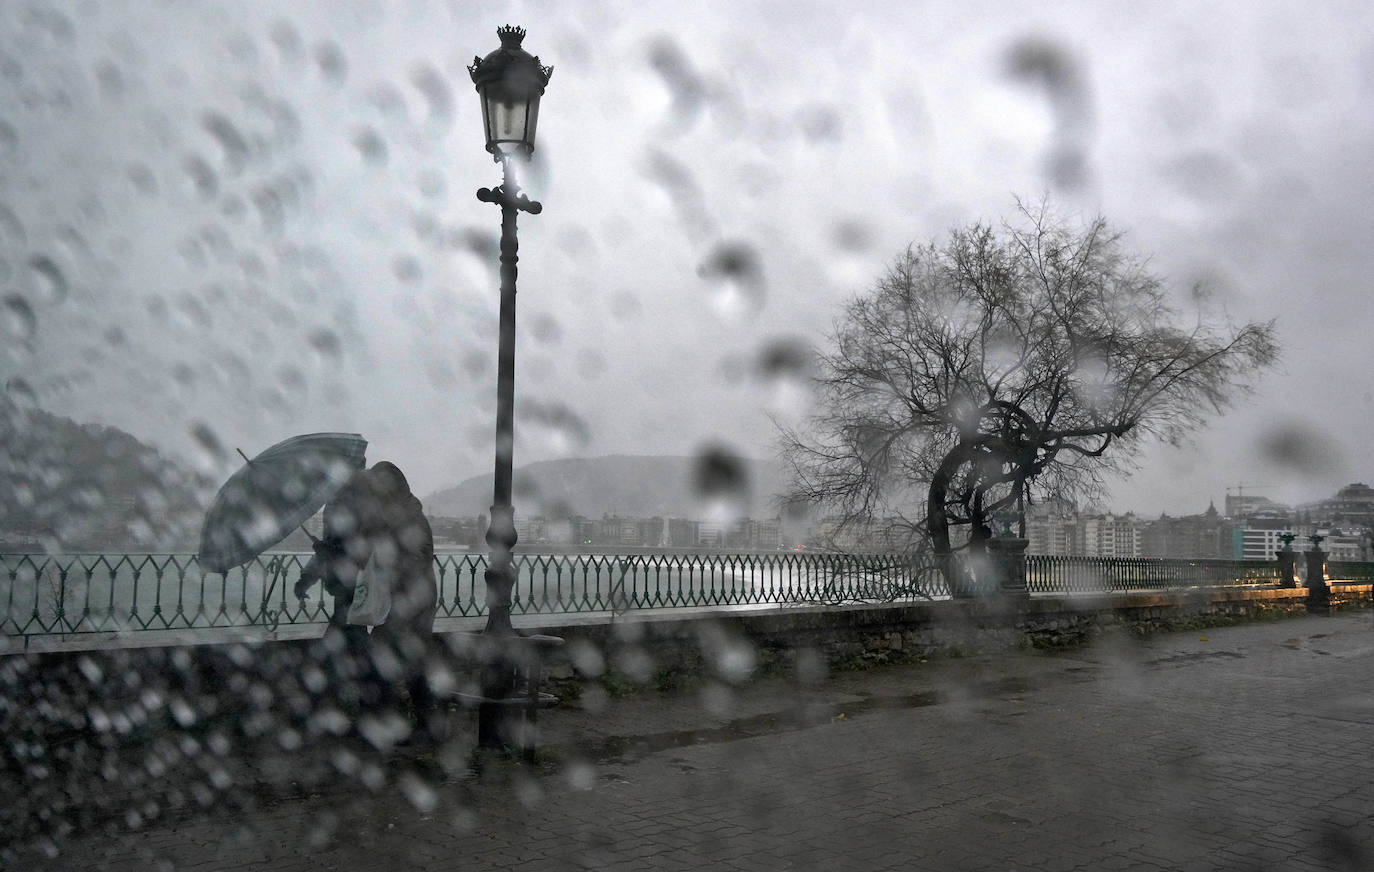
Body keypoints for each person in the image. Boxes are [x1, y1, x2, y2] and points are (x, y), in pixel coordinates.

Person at [296, 461, 441, 746]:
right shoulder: (389, 515)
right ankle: (408, 725)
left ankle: (393, 725)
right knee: (401, 663)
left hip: (413, 601)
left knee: (393, 662)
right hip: (400, 601)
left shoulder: (408, 518)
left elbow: (399, 560)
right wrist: (330, 553)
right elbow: (365, 553)